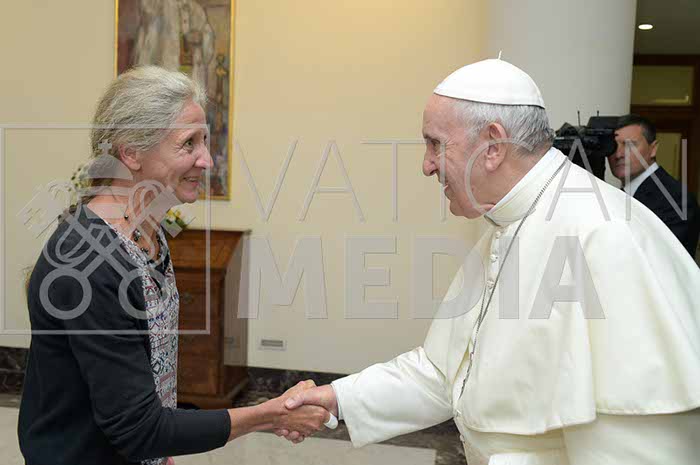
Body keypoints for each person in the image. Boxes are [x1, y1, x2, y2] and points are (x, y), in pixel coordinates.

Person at [280, 59, 700, 464]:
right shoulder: (507, 224)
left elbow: (636, 447)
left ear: (493, 146)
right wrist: (337, 399)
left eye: (435, 143)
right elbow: (443, 374)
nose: (426, 165)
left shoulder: (606, 234)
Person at [18, 66, 329, 465]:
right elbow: (139, 430)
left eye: (205, 141)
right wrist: (269, 414)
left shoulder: (148, 233)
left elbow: (140, 384)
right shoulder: (88, 263)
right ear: (131, 152)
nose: (207, 160)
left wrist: (160, 449)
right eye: (188, 144)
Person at [608, 114, 700, 257]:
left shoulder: (676, 199)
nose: (618, 154)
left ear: (653, 149)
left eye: (630, 145)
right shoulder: (614, 196)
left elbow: (663, 260)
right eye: (613, 146)